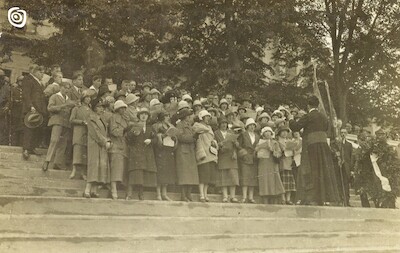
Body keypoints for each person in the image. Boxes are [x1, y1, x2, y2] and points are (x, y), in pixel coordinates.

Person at [289, 96, 340, 206]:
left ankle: (311, 198)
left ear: (308, 106)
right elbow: (326, 128)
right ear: (317, 105)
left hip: (311, 147)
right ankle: (324, 197)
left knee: (311, 171)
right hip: (323, 146)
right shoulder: (324, 116)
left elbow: (295, 127)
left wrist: (291, 118)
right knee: (323, 170)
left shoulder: (308, 116)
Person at [42, 82, 75, 171]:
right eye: (65, 87)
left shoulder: (68, 99)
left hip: (66, 123)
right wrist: (63, 106)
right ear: (60, 87)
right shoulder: (54, 96)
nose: (66, 89)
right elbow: (50, 108)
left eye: (68, 88)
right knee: (54, 140)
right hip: (57, 121)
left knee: (63, 143)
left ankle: (57, 163)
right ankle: (47, 161)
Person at [126, 108, 157, 200]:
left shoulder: (150, 128)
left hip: (147, 153)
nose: (144, 116)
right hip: (136, 152)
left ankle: (141, 193)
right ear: (139, 116)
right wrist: (133, 134)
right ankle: (129, 194)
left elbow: (156, 140)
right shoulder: (133, 126)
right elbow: (128, 139)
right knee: (134, 172)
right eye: (142, 114)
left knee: (143, 174)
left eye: (146, 114)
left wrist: (150, 140)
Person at [84, 99, 111, 198]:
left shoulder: (102, 119)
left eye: (102, 107)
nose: (101, 109)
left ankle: (94, 190)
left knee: (100, 166)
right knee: (93, 166)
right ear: (94, 108)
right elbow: (95, 133)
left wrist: (107, 141)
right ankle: (87, 190)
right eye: (99, 107)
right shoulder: (91, 118)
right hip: (95, 144)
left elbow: (104, 133)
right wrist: (105, 142)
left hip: (102, 145)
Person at [22, 65, 48, 160]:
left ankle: (32, 147)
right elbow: (26, 94)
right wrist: (30, 106)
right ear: (36, 72)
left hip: (39, 109)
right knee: (29, 128)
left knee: (36, 128)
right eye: (41, 72)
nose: (42, 75)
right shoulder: (28, 79)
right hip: (32, 109)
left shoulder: (39, 82)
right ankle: (26, 149)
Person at [193, 110, 218, 202]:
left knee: (208, 177)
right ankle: (201, 195)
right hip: (202, 152)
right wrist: (206, 129)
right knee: (203, 175)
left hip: (210, 152)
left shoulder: (209, 127)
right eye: (206, 117)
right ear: (201, 118)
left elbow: (212, 138)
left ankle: (205, 194)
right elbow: (198, 131)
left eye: (209, 117)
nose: (208, 119)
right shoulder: (197, 125)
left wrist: (214, 143)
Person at [256, 126, 285, 204]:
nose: (268, 133)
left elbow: (279, 154)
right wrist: (258, 149)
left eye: (269, 132)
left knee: (274, 179)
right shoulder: (259, 142)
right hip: (263, 163)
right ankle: (265, 198)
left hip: (272, 163)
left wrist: (272, 150)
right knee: (264, 179)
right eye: (266, 132)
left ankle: (277, 198)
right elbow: (255, 152)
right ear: (263, 134)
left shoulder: (275, 142)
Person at [175, 108, 199, 201]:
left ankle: (188, 194)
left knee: (191, 175)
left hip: (190, 151)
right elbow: (180, 137)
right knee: (184, 175)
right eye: (189, 116)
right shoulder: (179, 125)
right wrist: (193, 138)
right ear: (185, 117)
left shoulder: (190, 125)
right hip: (183, 152)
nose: (190, 118)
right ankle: (183, 195)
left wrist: (196, 136)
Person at [152, 111, 177, 201]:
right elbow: (154, 138)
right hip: (160, 151)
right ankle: (158, 193)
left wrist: (174, 138)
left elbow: (174, 136)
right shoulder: (156, 126)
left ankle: (164, 193)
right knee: (160, 172)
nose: (168, 117)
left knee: (167, 172)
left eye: (168, 116)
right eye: (166, 116)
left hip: (168, 150)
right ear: (162, 117)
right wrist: (162, 136)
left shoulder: (170, 126)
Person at [214, 116, 240, 203]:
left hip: (231, 156)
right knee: (223, 176)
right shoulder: (216, 133)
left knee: (233, 176)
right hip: (222, 155)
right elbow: (213, 144)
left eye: (225, 123)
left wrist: (236, 146)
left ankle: (233, 196)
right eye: (222, 123)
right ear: (219, 124)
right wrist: (219, 144)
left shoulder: (231, 132)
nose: (224, 125)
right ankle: (225, 196)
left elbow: (236, 146)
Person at [108, 100, 129, 200]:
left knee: (121, 168)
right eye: (122, 108)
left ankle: (117, 188)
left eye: (124, 108)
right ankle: (113, 189)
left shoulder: (125, 119)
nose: (124, 110)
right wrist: (123, 131)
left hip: (124, 145)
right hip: (116, 145)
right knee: (116, 168)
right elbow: (113, 131)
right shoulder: (113, 117)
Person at [69, 92, 92, 180]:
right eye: (86, 97)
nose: (88, 99)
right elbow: (71, 120)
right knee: (77, 151)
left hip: (87, 132)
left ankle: (83, 172)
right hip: (79, 131)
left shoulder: (90, 110)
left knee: (84, 152)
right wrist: (82, 122)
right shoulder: (76, 109)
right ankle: (74, 170)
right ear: (83, 98)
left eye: (89, 97)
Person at [238, 118, 260, 203]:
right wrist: (244, 154)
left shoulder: (257, 136)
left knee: (253, 178)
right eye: (250, 125)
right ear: (247, 126)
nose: (252, 127)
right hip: (245, 158)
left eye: (253, 125)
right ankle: (244, 197)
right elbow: (238, 146)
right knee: (245, 177)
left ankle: (251, 197)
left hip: (254, 159)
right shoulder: (243, 135)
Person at [332, 128, 353, 206]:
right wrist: (336, 155)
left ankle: (347, 201)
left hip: (346, 168)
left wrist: (351, 169)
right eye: (341, 132)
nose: (343, 134)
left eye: (344, 133)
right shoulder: (336, 144)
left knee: (346, 184)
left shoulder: (349, 145)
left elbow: (351, 158)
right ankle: (340, 200)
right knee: (339, 183)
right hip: (338, 167)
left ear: (346, 134)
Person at [277, 127, 296, 205]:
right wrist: (282, 150)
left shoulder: (289, 141)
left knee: (289, 182)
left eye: (286, 132)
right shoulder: (277, 142)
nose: (284, 133)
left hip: (289, 162)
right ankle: (283, 198)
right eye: (283, 132)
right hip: (282, 162)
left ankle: (288, 199)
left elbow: (294, 151)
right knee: (283, 181)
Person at [10, 76, 24, 146]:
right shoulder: (14, 90)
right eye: (20, 81)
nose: (22, 83)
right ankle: (13, 143)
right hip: (15, 112)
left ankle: (20, 143)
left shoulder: (26, 90)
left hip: (22, 112)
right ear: (18, 82)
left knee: (21, 128)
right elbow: (11, 100)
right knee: (14, 128)